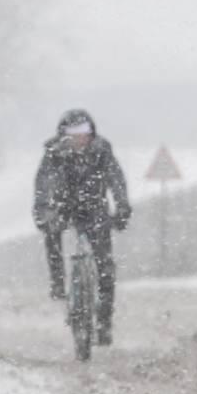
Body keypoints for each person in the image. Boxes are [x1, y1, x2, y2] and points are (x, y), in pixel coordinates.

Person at [32, 109, 131, 345]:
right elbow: (43, 184)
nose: (79, 137)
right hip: (63, 206)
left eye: (84, 131)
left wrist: (122, 206)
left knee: (105, 266)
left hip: (94, 207)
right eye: (73, 132)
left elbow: (116, 178)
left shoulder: (102, 150)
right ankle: (58, 282)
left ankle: (104, 321)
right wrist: (44, 211)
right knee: (52, 233)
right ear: (63, 135)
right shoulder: (53, 153)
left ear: (91, 132)